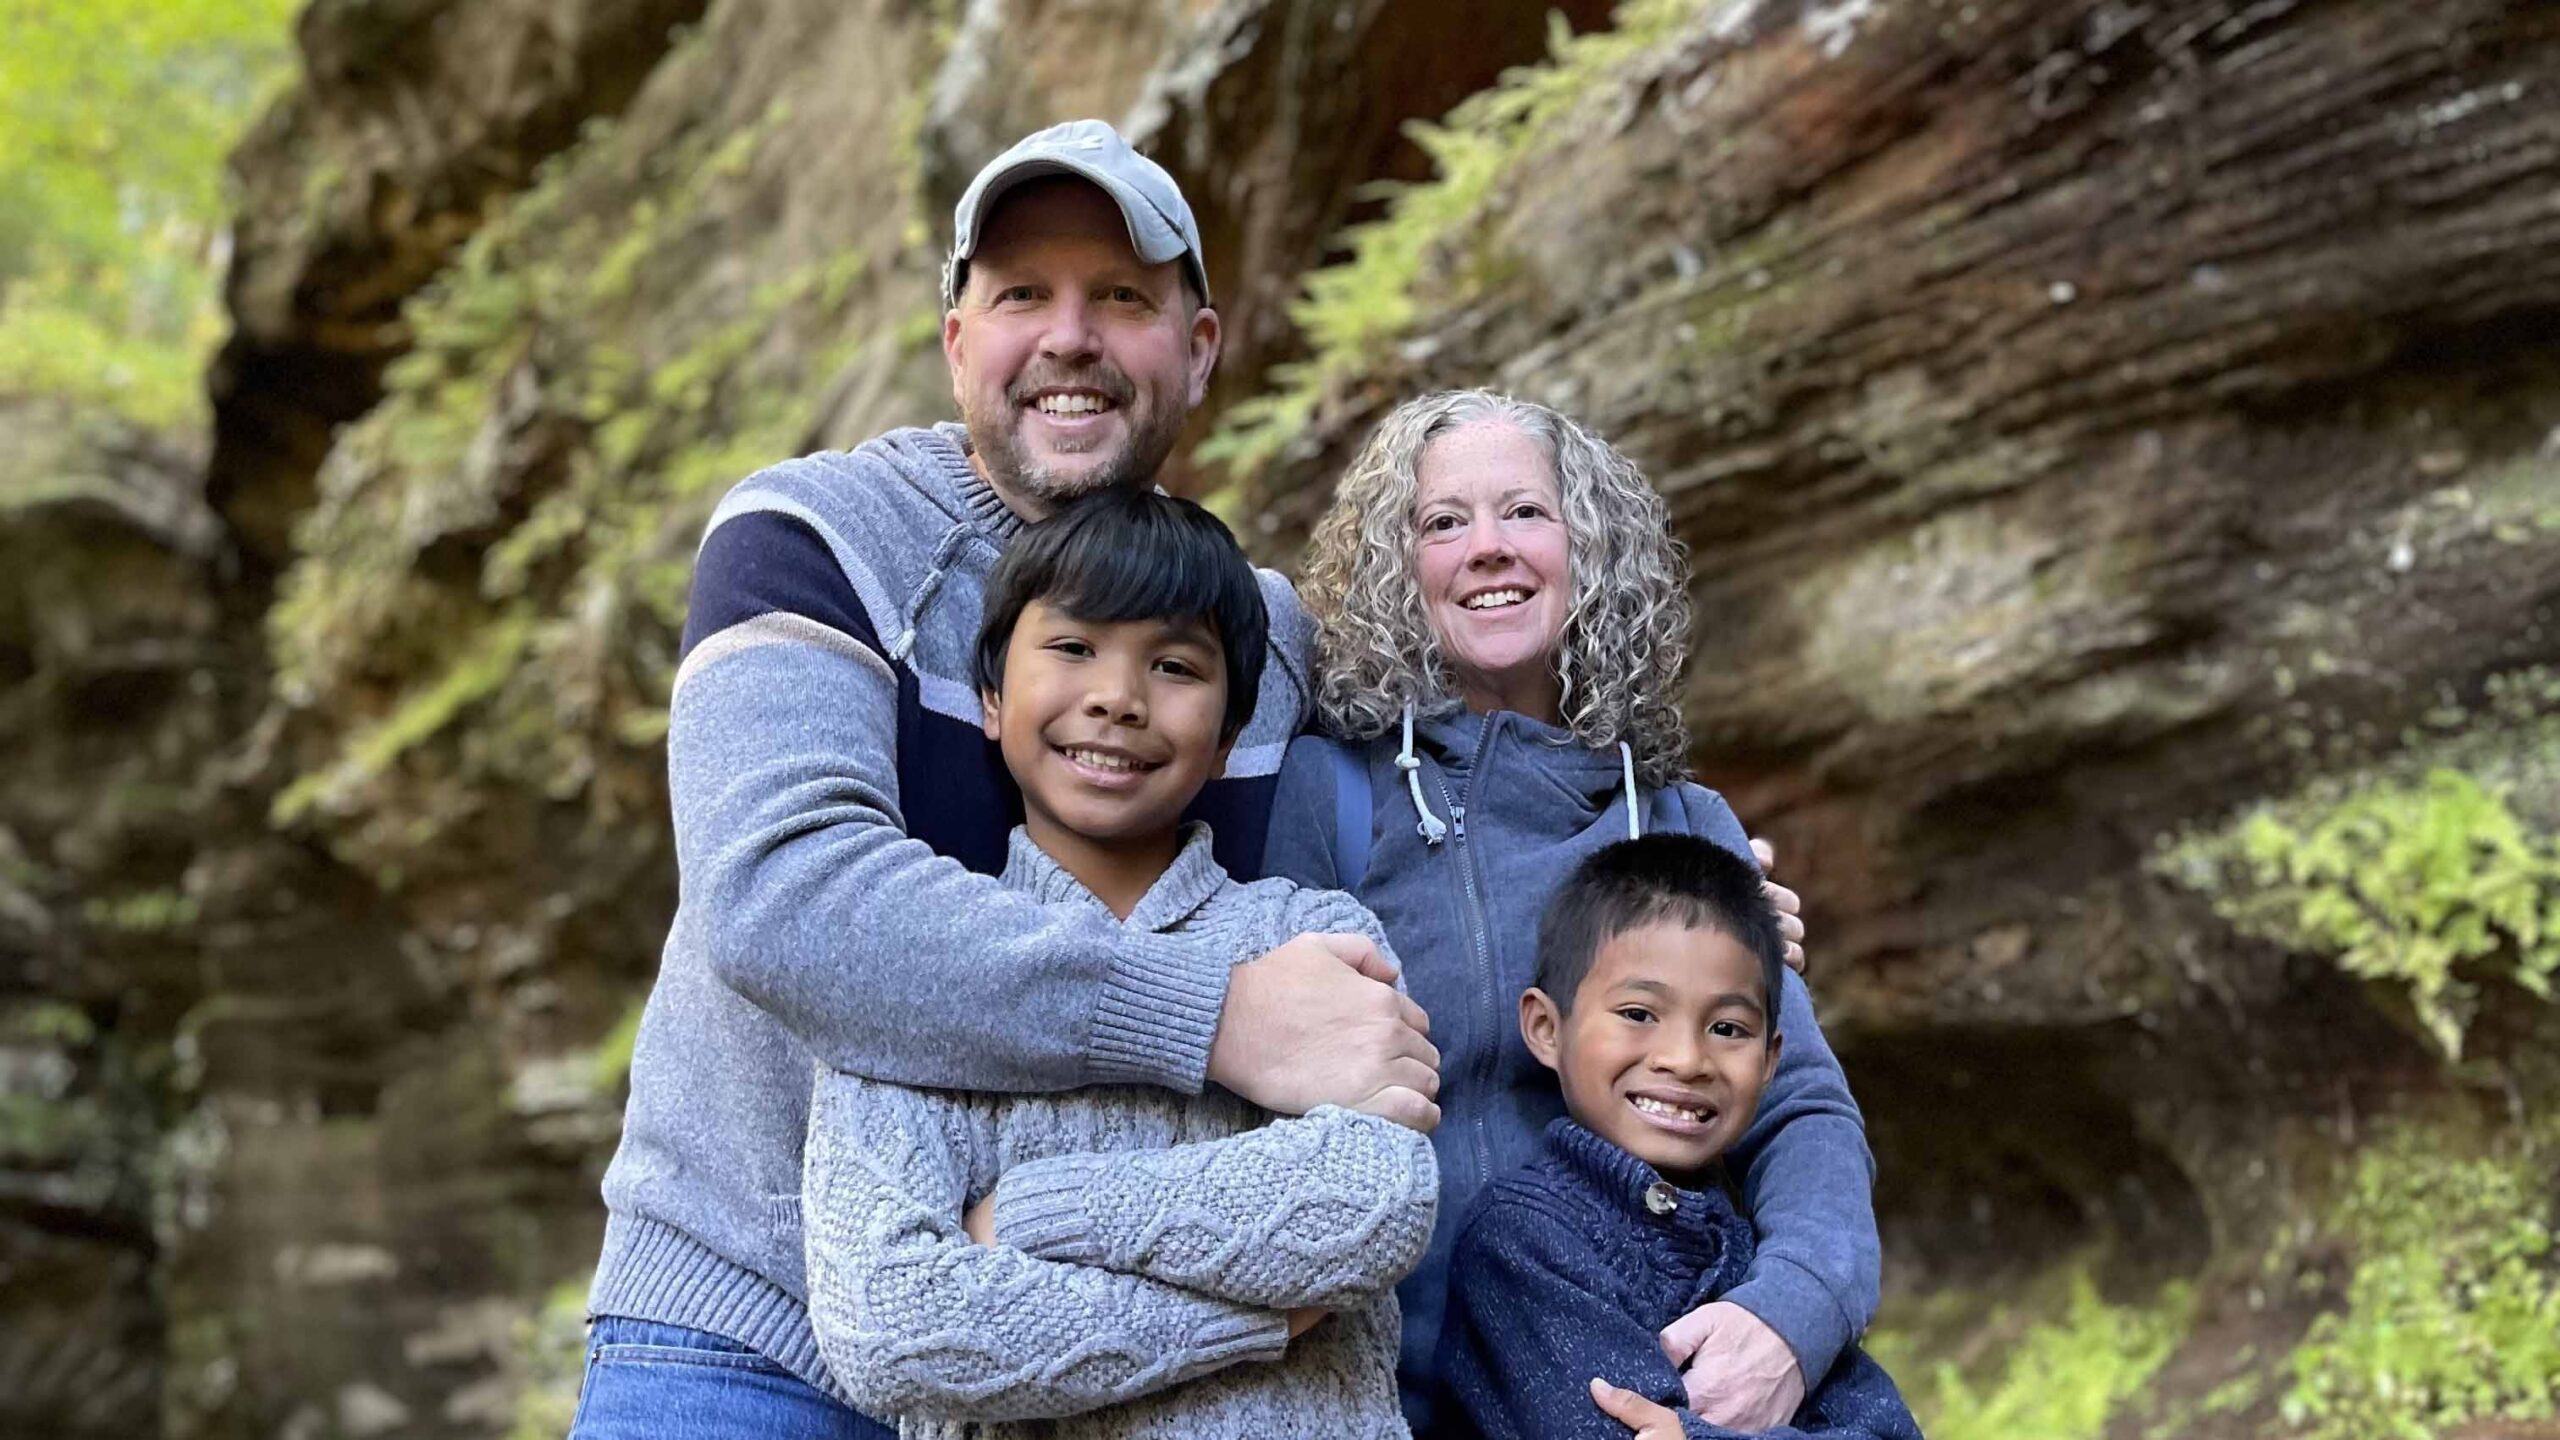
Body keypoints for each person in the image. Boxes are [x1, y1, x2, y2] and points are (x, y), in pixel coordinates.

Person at [571, 121, 1439, 1439]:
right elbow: (786, 898)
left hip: (1106, 1375)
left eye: (1123, 299)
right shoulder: (813, 539)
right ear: (957, 339)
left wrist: (1695, 863)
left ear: (1199, 349)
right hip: (747, 1335)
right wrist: (1211, 1018)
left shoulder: (1252, 638)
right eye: (1022, 294)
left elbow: (1473, 801)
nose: (1070, 337)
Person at [1261, 389, 1875, 1434]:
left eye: (1525, 514)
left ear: (1589, 550)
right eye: (1442, 522)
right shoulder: (1328, 797)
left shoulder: (1682, 818)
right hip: (1384, 1401)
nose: (1488, 549)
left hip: (1643, 1379)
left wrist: (1789, 1317)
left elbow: (1802, 1106)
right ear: (1392, 572)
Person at [800, 487, 1435, 1436]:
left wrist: (1025, 1215)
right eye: (1072, 648)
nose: (1117, 697)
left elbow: (1374, 1202)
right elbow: (890, 1326)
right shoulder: (916, 973)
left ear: (1227, 739)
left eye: (1174, 664)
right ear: (990, 698)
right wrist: (1255, 1324)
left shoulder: (1305, 938)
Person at [1435, 836, 1921, 1439]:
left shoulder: (1752, 1242)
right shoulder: (1524, 1243)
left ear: (1771, 1062)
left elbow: (1889, 1428)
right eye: (1639, 1014)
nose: (1686, 1059)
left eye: (1727, 1027)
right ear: (1544, 1028)